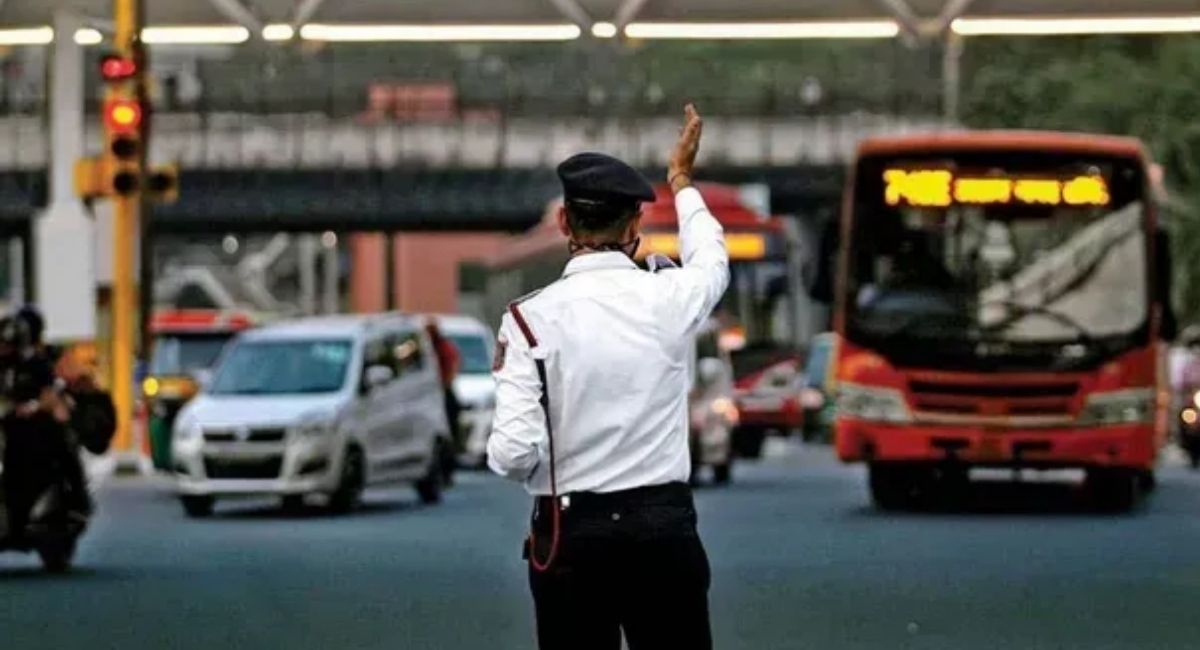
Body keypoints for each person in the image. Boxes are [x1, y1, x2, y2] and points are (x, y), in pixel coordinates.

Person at [487, 104, 726, 650]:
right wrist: (682, 181)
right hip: (662, 531)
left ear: (564, 222)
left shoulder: (528, 318)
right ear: (635, 225)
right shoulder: (669, 297)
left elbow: (512, 454)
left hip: (572, 537)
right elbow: (712, 258)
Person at [424, 318, 461, 481]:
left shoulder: (442, 348)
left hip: (443, 393)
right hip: (434, 393)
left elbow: (451, 369)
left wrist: (442, 384)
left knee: (448, 434)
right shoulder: (429, 349)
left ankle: (447, 471)